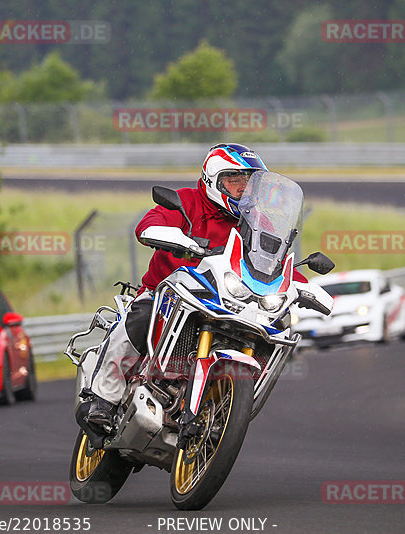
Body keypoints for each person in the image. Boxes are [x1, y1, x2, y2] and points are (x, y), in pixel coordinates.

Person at [85, 143, 306, 430]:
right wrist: (173, 237)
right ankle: (102, 399)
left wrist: (300, 286)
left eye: (249, 182)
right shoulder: (187, 202)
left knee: (272, 334)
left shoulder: (258, 223)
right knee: (142, 313)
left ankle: (222, 409)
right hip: (168, 294)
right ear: (212, 180)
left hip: (227, 302)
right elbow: (150, 223)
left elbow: (274, 264)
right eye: (234, 180)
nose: (242, 189)